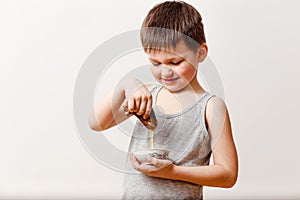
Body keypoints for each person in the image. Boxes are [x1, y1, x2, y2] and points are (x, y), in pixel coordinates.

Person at [89, 1, 238, 199]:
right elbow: (95, 123)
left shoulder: (210, 107)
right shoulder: (147, 96)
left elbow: (228, 175)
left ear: (200, 53)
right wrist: (127, 84)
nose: (165, 72)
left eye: (175, 62)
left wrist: (173, 172)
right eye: (155, 63)